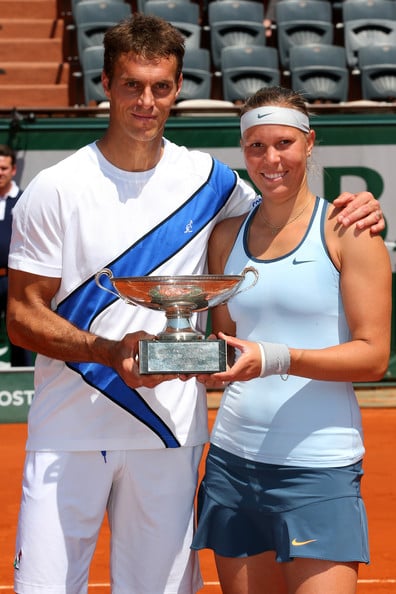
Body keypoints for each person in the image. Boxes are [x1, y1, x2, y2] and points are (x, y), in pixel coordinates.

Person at [7, 13, 384, 594]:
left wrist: (358, 207)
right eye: (132, 84)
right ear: (105, 84)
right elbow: (22, 315)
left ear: (178, 87)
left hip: (171, 433)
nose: (146, 100)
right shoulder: (55, 187)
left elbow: (284, 208)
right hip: (69, 430)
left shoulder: (213, 183)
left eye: (160, 86)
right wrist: (109, 352)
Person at [191, 86, 392, 594]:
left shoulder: (349, 230)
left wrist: (275, 358)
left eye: (283, 143)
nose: (270, 158)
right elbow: (229, 343)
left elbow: (372, 357)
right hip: (233, 461)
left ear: (309, 144)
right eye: (256, 146)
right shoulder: (224, 237)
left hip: (318, 468)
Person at [0, 144, 33, 367]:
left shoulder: (25, 201)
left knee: (21, 330)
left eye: (3, 168)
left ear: (13, 170)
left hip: (14, 279)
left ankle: (22, 379)